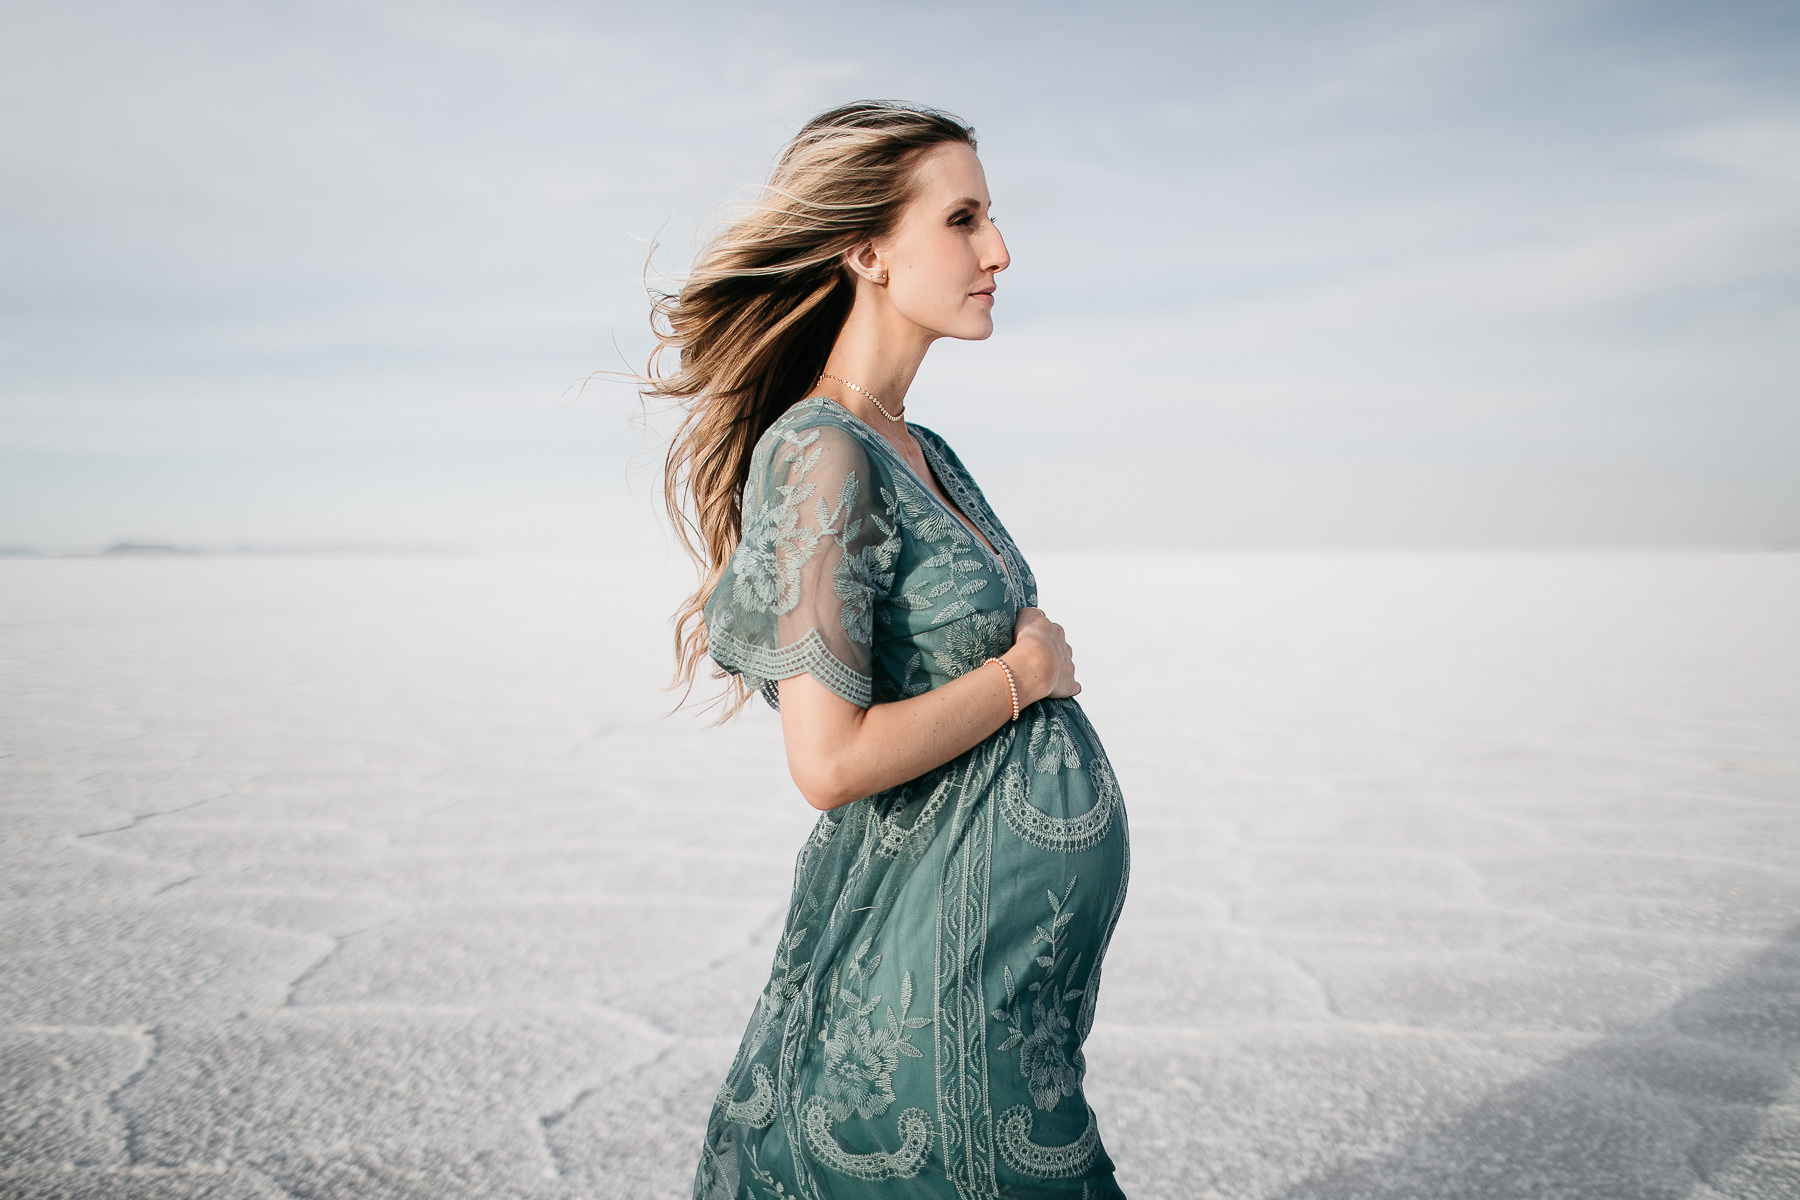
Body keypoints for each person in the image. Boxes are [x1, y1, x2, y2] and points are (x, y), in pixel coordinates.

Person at [647, 100, 1130, 1199]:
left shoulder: (922, 448)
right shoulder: (821, 454)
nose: (998, 251)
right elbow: (829, 763)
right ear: (867, 249)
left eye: (991, 218)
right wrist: (1025, 677)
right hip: (929, 994)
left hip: (1004, 992)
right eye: (963, 220)